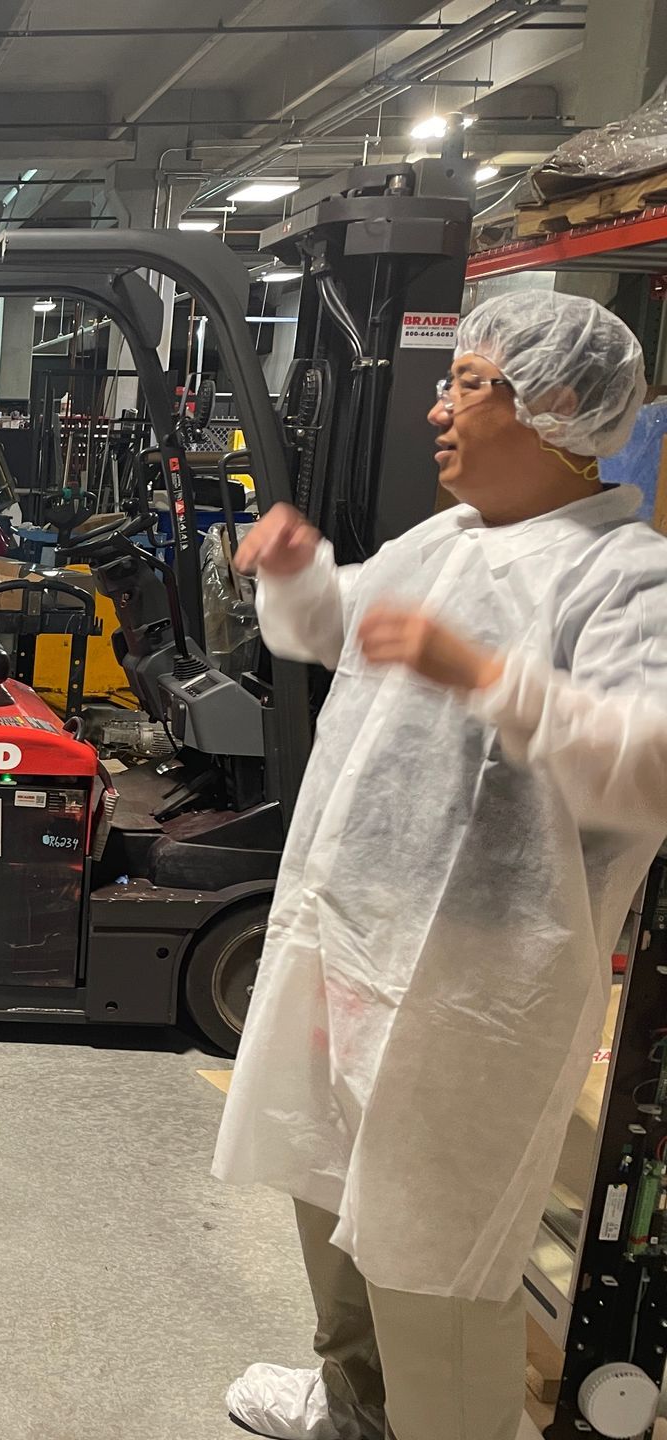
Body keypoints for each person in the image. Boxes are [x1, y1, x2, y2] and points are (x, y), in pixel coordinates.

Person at [217, 290, 663, 1440]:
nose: (437, 407)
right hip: (346, 942)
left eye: (467, 383)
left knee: (435, 1255)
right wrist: (299, 571)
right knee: (328, 1195)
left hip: (474, 991)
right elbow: (329, 628)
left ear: (552, 404)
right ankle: (352, 1407)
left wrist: (487, 677)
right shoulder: (446, 542)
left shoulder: (625, 576)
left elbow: (650, 766)